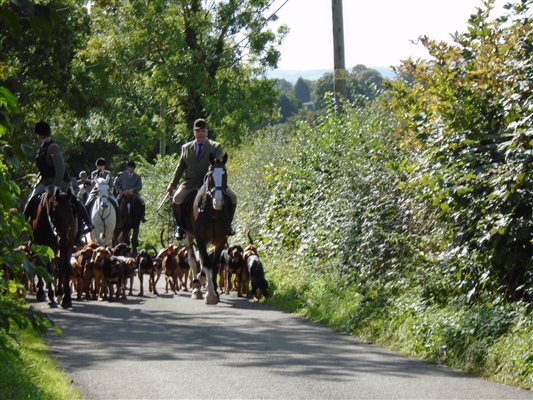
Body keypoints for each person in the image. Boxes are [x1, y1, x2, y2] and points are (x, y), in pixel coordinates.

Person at [167, 118, 237, 240]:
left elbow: (219, 163)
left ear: (207, 132)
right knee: (177, 199)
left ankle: (228, 225)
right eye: (197, 131)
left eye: (203, 131)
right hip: (191, 183)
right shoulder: (186, 148)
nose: (200, 133)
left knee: (233, 197)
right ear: (194, 132)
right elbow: (180, 167)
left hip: (211, 183)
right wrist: (172, 184)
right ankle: (180, 227)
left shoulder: (215, 146)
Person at [23, 120, 94, 234]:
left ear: (40, 134)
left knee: (74, 200)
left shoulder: (53, 147)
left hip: (60, 181)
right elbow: (43, 168)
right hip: (45, 181)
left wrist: (56, 186)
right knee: (31, 200)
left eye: (37, 134)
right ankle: (25, 228)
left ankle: (88, 223)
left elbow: (60, 168)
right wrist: (36, 181)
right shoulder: (42, 147)